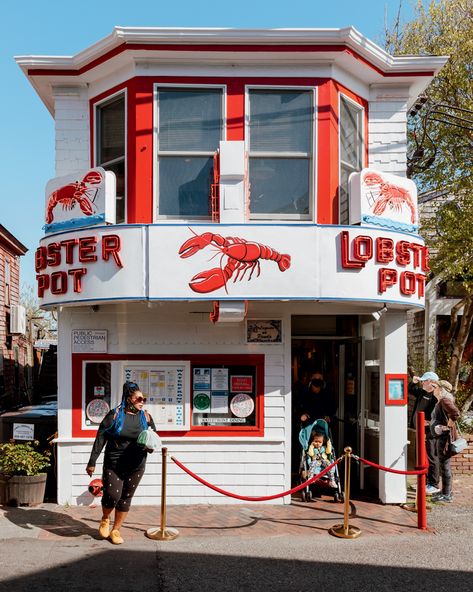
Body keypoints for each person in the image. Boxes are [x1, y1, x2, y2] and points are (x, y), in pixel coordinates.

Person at [86, 381, 157, 544]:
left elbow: (153, 438)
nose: (142, 402)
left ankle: (116, 530)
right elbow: (101, 437)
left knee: (126, 497)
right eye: (138, 399)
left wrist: (150, 447)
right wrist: (92, 461)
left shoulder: (146, 417)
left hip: (136, 465)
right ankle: (105, 518)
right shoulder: (114, 415)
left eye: (143, 399)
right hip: (114, 463)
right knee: (112, 496)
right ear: (128, 399)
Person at [408, 370, 440, 495]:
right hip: (419, 430)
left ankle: (434, 484)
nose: (422, 382)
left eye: (424, 381)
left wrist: (430, 422)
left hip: (430, 432)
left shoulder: (436, 397)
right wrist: (413, 382)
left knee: (431, 456)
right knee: (420, 456)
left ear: (431, 382)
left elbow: (441, 415)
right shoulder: (422, 392)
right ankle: (424, 481)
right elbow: (410, 389)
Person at [429, 379, 460, 503]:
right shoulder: (442, 401)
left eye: (435, 387)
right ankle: (445, 492)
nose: (433, 389)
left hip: (444, 438)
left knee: (445, 466)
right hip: (442, 437)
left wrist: (448, 425)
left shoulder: (444, 400)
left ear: (441, 389)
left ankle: (447, 494)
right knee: (444, 465)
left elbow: (456, 413)